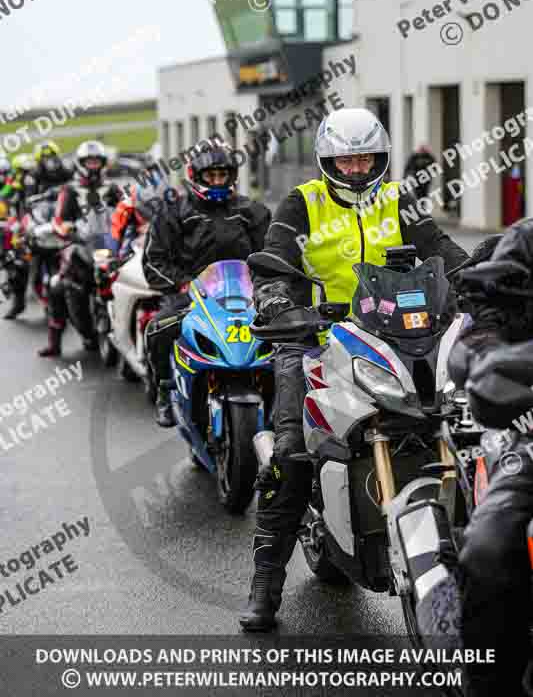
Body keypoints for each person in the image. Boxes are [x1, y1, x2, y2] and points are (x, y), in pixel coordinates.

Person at [240, 107, 469, 632]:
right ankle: (265, 585)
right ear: (327, 161)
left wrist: (477, 275)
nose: (357, 169)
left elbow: (440, 249)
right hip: (316, 336)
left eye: (367, 158)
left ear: (382, 157)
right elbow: (275, 260)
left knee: (457, 420)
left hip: (399, 333)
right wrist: (277, 299)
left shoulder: (396, 198)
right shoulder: (302, 203)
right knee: (292, 453)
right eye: (346, 160)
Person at [445, 222, 533, 697]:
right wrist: (491, 361)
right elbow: (479, 325)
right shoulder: (523, 245)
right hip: (530, 425)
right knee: (490, 547)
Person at [142, 138, 271, 428]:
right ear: (194, 176)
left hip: (247, 295)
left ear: (232, 176)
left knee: (290, 335)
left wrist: (268, 283)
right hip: (193, 296)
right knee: (158, 328)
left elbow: (272, 256)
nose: (216, 181)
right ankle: (165, 387)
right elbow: (154, 261)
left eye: (222, 175)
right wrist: (181, 284)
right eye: (210, 176)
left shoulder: (253, 211)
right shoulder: (174, 211)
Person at [37, 140, 119, 357]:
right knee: (56, 285)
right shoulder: (70, 190)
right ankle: (54, 343)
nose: (93, 166)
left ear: (102, 164)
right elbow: (60, 218)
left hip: (107, 246)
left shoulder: (112, 189)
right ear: (82, 163)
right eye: (89, 162)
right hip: (80, 245)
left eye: (96, 162)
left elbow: (126, 212)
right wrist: (65, 229)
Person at [3, 147, 72, 320]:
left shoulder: (66, 172)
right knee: (18, 261)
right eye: (45, 158)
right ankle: (18, 303)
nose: (50, 161)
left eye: (52, 157)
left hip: (60, 220)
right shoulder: (30, 177)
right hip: (34, 220)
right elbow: (24, 200)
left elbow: (76, 190)